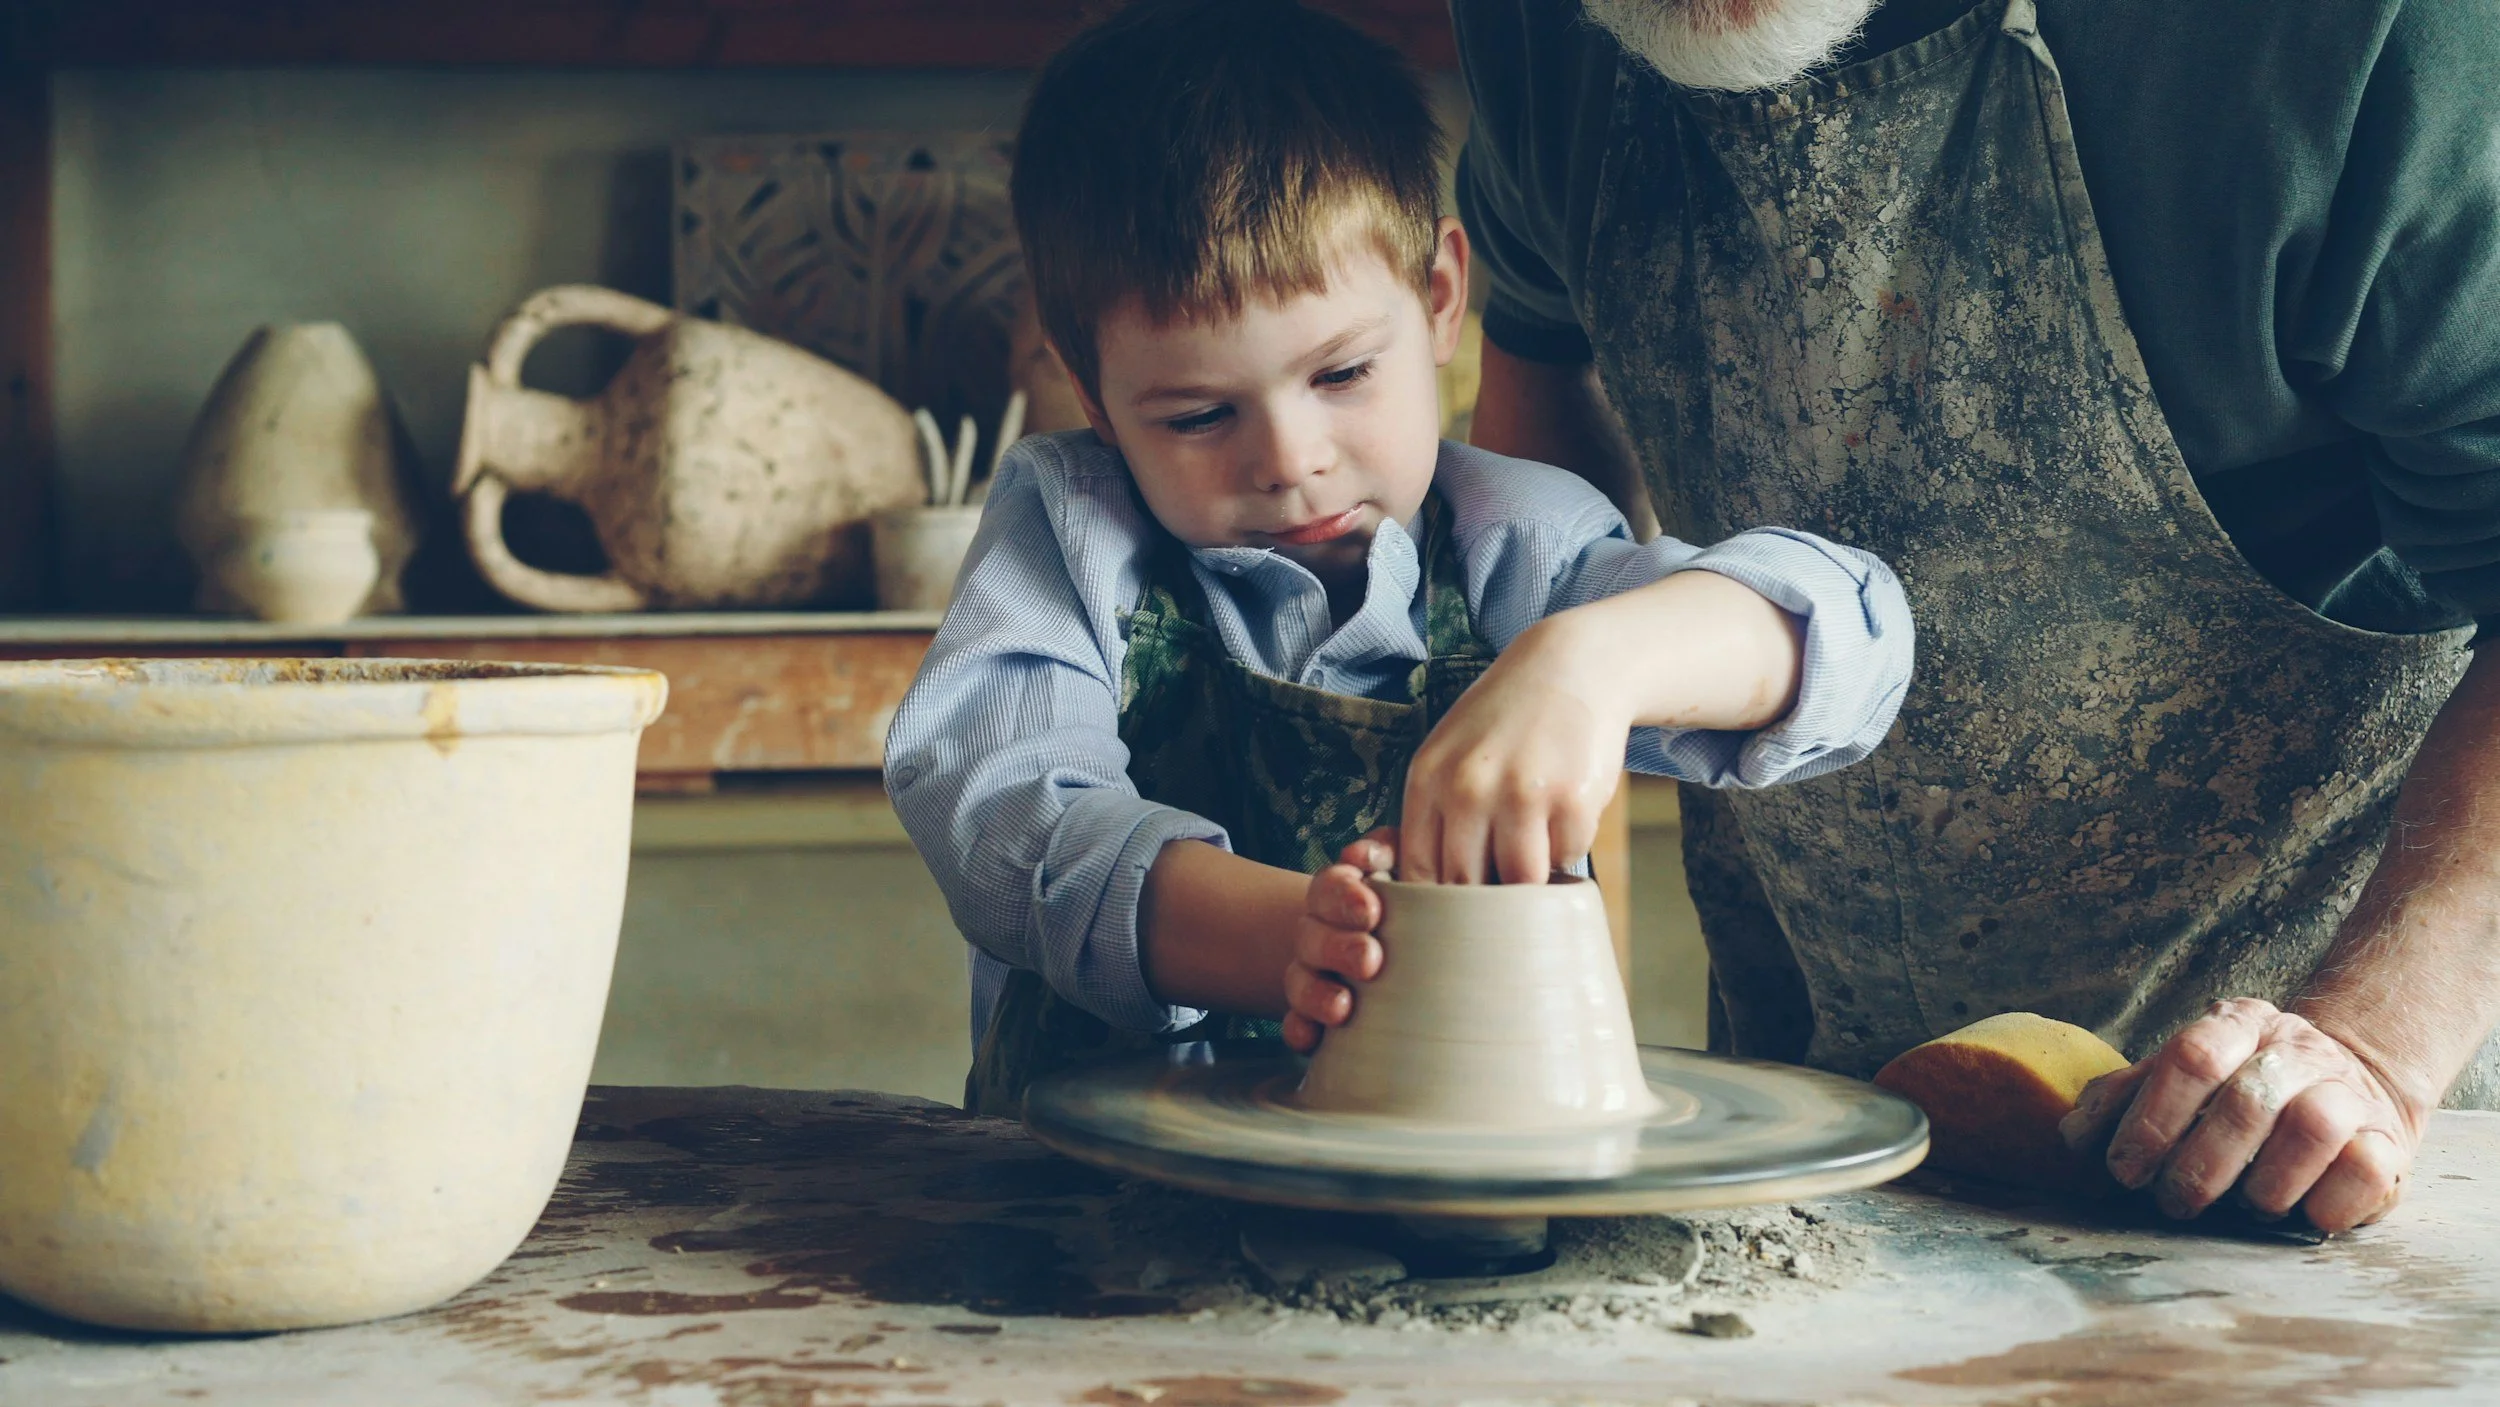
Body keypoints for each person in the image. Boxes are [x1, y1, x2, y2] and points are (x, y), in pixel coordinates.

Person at [1450, 0, 2500, 1232]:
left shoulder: (2353, 37)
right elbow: (1542, 478)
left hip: (2315, 1134)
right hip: (1809, 1115)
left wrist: (2368, 1046)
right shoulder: (1541, 26)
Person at [882, 0, 1915, 1116]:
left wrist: (1592, 667)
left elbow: (1855, 636)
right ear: (1092, 395)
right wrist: (1287, 943)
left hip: (1450, 1194)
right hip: (1084, 1198)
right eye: (1196, 417)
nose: (1289, 461)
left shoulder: (1511, 543)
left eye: (1339, 377)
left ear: (1437, 300)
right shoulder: (1070, 532)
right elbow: (1000, 818)